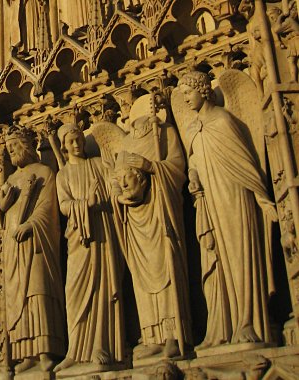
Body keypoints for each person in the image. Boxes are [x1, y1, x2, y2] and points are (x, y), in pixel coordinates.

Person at [178, 71, 278, 348]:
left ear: (203, 91)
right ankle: (223, 327)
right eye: (183, 94)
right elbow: (194, 160)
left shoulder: (223, 120)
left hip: (234, 197)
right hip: (210, 202)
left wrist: (261, 196)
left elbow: (245, 162)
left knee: (240, 255)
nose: (185, 99)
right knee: (216, 260)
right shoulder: (191, 128)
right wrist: (194, 176)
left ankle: (249, 321)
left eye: (188, 92)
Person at [111, 95, 192, 360]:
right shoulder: (124, 144)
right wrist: (120, 195)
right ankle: (152, 335)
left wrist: (150, 167)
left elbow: (178, 168)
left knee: (167, 271)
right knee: (141, 278)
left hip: (160, 212)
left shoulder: (163, 131)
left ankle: (173, 335)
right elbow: (114, 180)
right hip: (135, 219)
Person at [54, 124, 124, 372]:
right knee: (75, 291)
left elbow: (114, 188)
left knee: (102, 287)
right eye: (71, 141)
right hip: (79, 236)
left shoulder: (97, 164)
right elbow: (64, 205)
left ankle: (101, 346)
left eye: (79, 140)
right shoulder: (62, 175)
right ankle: (75, 350)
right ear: (63, 146)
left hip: (102, 230)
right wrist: (86, 204)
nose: (77, 145)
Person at [0, 126, 65, 373]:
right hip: (12, 247)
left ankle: (46, 350)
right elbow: (2, 214)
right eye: (8, 147)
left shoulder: (44, 172)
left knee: (38, 290)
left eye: (14, 145)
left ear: (26, 145)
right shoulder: (11, 179)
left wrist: (30, 225)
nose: (11, 151)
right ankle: (26, 352)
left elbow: (49, 207)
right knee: (18, 300)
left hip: (36, 242)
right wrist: (2, 208)